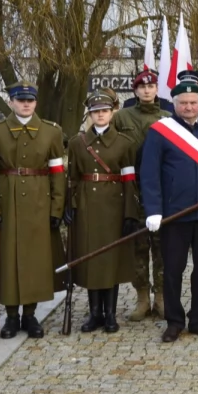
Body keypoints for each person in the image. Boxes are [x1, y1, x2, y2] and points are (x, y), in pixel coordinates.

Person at [141, 75, 198, 342]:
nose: (189, 107)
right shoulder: (160, 131)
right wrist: (154, 210)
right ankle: (174, 320)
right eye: (183, 103)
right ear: (175, 104)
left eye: (193, 102)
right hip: (174, 213)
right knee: (172, 269)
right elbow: (149, 173)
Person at [0, 80, 67, 339]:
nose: (26, 104)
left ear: (36, 102)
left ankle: (30, 314)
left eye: (30, 100)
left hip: (40, 201)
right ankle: (12, 316)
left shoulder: (52, 132)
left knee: (36, 260)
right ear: (12, 101)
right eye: (20, 99)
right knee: (8, 258)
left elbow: (58, 172)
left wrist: (56, 208)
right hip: (7, 203)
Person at [66, 90, 140, 334]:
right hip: (87, 206)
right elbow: (73, 179)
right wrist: (71, 205)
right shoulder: (78, 144)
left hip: (114, 206)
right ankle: (94, 312)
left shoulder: (125, 143)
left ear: (112, 112)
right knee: (91, 259)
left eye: (105, 111)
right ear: (90, 114)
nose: (100, 115)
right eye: (96, 111)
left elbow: (130, 180)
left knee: (111, 261)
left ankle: (110, 313)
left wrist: (131, 212)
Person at [112, 69, 171, 320]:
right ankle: (142, 298)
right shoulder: (122, 116)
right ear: (135, 91)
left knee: (161, 246)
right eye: (141, 87)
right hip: (133, 187)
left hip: (160, 188)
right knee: (137, 246)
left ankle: (161, 297)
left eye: (151, 86)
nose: (147, 90)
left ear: (157, 89)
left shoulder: (168, 117)